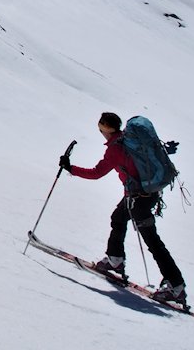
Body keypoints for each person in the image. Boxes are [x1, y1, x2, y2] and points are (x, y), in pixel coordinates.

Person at [61, 111, 186, 303]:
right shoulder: (128, 141)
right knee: (118, 218)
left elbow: (96, 173)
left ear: (104, 128)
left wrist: (70, 168)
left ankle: (175, 286)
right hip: (144, 195)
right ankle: (115, 259)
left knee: (152, 241)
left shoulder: (115, 149)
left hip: (138, 199)